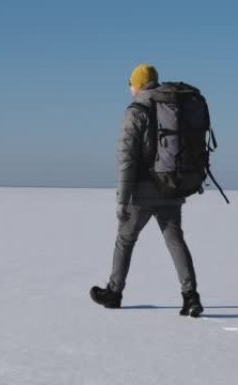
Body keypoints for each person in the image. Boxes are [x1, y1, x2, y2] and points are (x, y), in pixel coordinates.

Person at [90, 64, 203, 317]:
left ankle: (114, 292)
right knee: (175, 240)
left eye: (130, 83)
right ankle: (191, 296)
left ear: (138, 84)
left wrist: (122, 199)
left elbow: (126, 159)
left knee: (125, 240)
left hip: (141, 191)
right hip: (171, 186)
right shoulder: (172, 106)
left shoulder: (136, 111)